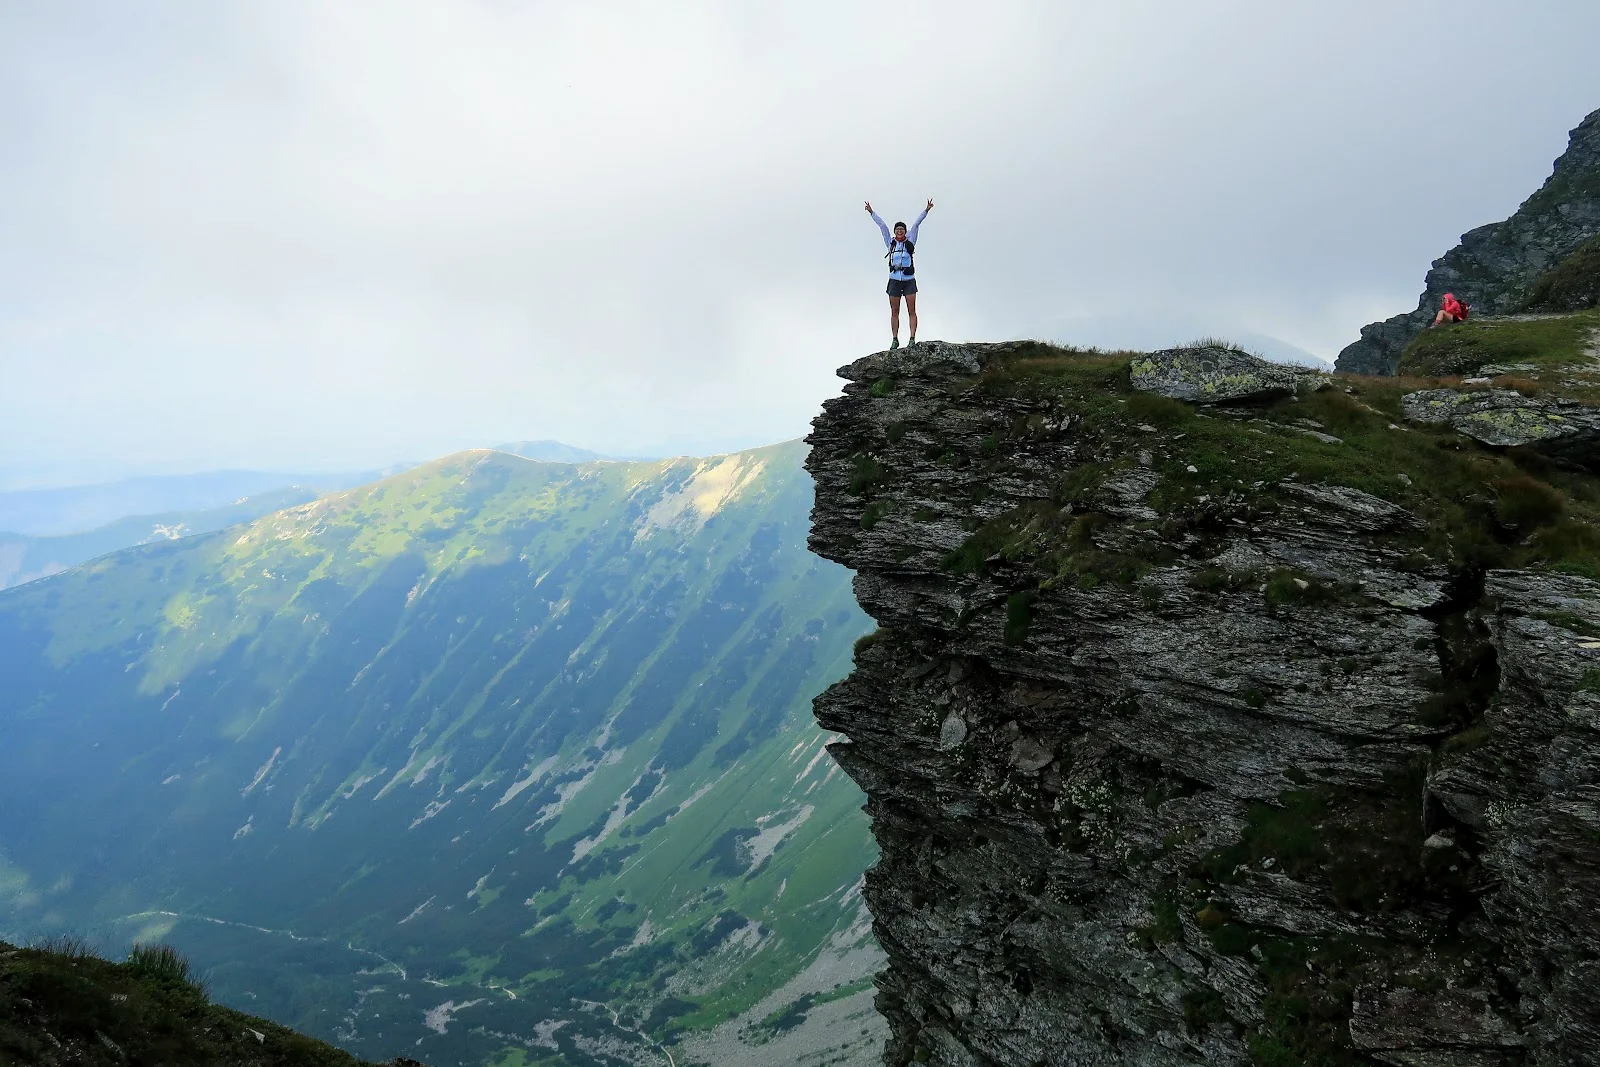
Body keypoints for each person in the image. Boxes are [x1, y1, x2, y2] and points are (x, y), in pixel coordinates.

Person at [866, 199, 933, 349]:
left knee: (912, 310)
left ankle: (912, 339)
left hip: (909, 279)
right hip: (894, 280)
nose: (899, 231)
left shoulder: (911, 242)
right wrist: (871, 212)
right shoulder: (890, 243)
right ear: (895, 232)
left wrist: (926, 210)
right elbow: (882, 226)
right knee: (894, 311)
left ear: (906, 231)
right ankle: (895, 339)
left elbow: (916, 225)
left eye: (902, 229)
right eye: (897, 230)